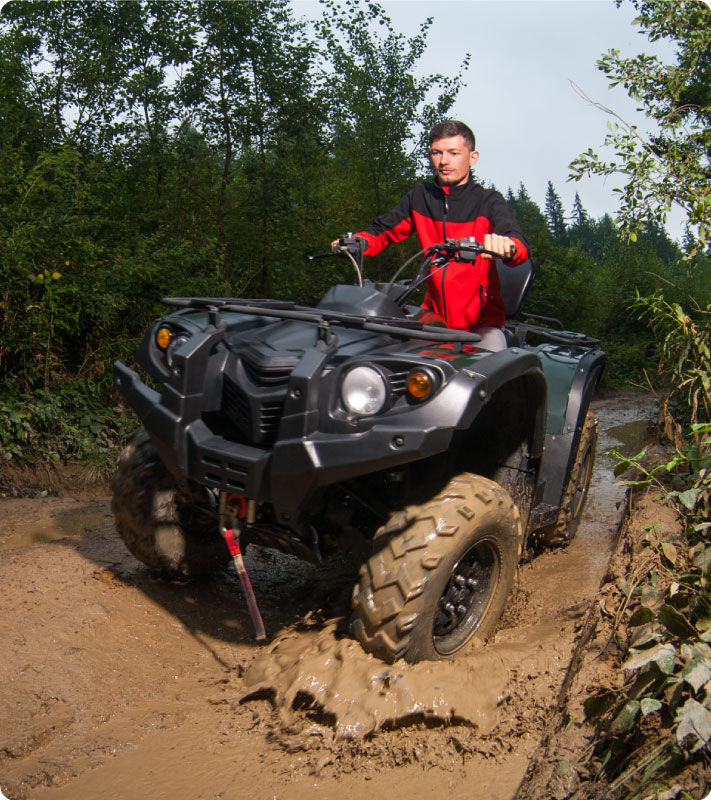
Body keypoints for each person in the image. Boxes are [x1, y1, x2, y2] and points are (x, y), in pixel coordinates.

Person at [333, 120, 530, 352]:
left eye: (453, 153)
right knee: (387, 359)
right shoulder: (420, 197)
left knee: (489, 367)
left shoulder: (488, 202)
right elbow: (382, 230)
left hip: (482, 326)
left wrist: (508, 247)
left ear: (472, 157)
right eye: (437, 153)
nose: (444, 161)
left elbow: (516, 241)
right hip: (433, 321)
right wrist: (357, 242)